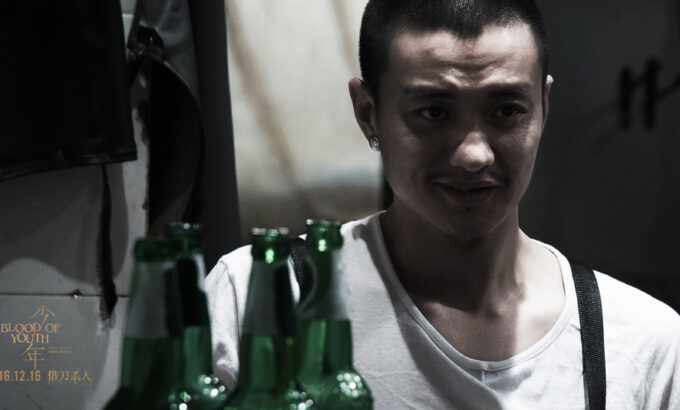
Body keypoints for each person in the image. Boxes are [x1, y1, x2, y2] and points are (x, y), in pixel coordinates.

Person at [205, 0, 680, 408]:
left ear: (543, 107)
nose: (474, 154)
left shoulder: (639, 342)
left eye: (506, 110)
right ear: (368, 113)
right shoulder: (258, 299)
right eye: (433, 112)